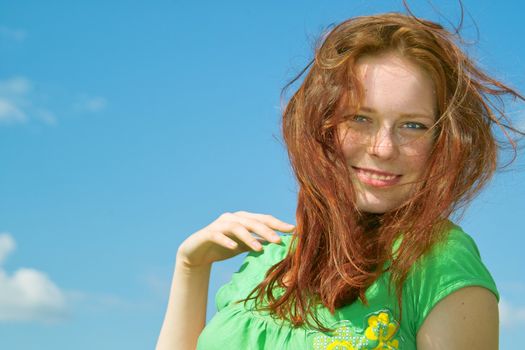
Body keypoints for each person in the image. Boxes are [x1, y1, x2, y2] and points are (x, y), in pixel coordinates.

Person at [156, 10, 524, 350]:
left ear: (441, 142)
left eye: (413, 125)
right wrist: (191, 267)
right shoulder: (266, 259)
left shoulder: (439, 262)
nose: (383, 148)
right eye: (360, 118)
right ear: (322, 125)